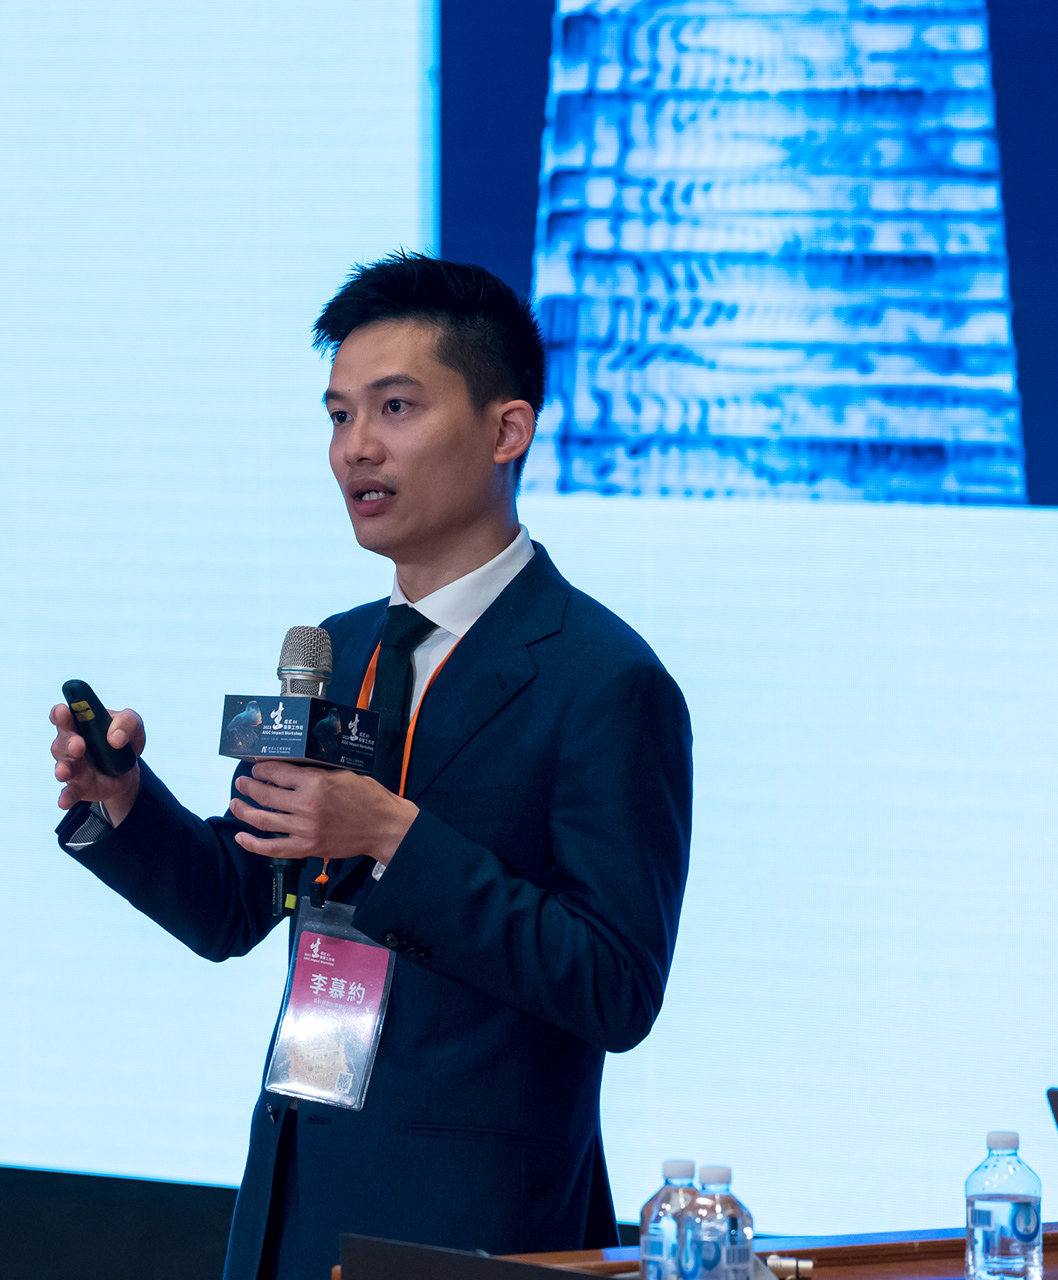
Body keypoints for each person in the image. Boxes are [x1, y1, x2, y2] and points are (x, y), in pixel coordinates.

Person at [49, 253, 692, 1280]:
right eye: (339, 415)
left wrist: (394, 838)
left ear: (507, 430)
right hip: (299, 1199)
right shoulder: (338, 649)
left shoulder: (603, 680)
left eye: (396, 407)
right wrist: (123, 802)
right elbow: (236, 900)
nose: (357, 447)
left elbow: (615, 985)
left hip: (480, 1226)